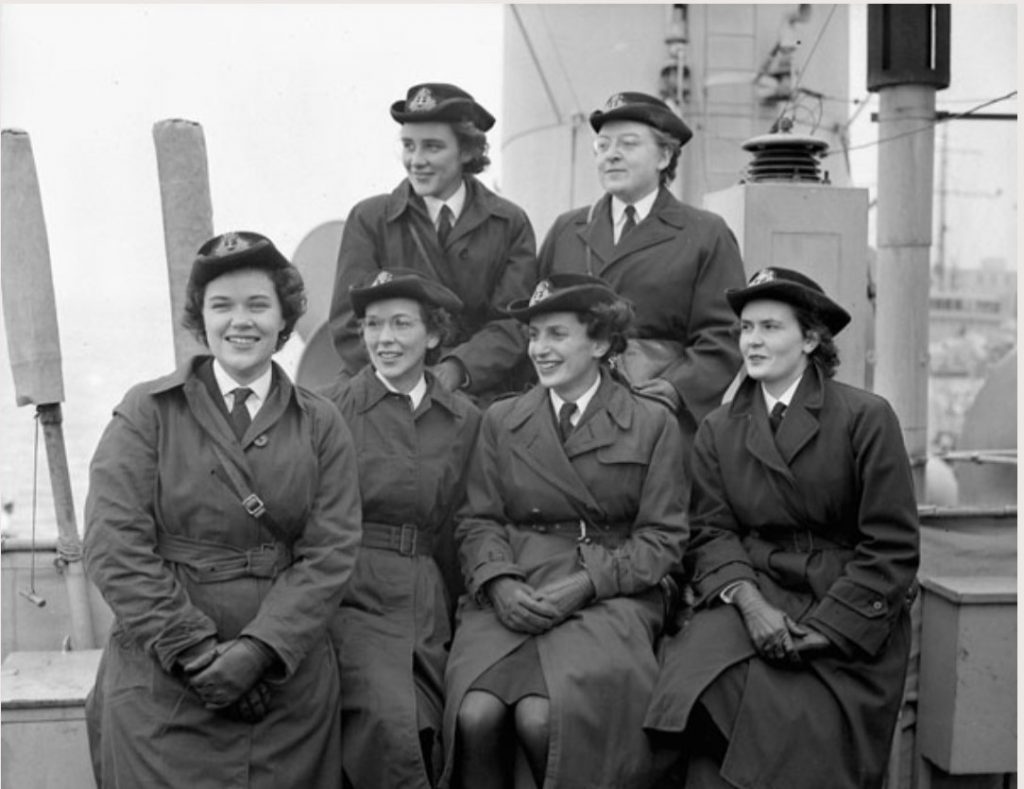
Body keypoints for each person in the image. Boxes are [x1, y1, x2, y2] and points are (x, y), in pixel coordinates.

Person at [83, 231, 361, 788]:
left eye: (258, 305)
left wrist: (258, 652)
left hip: (284, 680)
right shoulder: (148, 411)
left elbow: (330, 553)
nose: (241, 322)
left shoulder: (321, 422)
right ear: (200, 318)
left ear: (284, 319)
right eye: (222, 306)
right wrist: (195, 651)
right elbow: (113, 545)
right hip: (164, 677)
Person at [643, 267, 920, 789]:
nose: (752, 340)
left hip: (843, 606)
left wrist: (824, 632)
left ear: (811, 338)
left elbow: (892, 548)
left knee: (791, 734)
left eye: (770, 327)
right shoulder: (718, 429)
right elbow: (711, 533)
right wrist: (752, 607)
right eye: (746, 328)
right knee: (690, 691)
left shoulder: (866, 418)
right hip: (754, 589)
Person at [440, 274, 689, 789]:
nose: (540, 349)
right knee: (476, 713)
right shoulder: (502, 419)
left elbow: (662, 539)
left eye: (557, 334)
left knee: (543, 716)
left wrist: (586, 582)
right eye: (534, 335)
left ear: (599, 342)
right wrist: (498, 582)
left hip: (612, 593)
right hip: (518, 585)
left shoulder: (651, 422)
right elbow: (478, 519)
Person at [320, 268, 482, 788]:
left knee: (442, 721)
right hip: (349, 591)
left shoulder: (463, 418)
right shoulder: (328, 410)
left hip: (425, 594)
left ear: (433, 335)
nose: (384, 339)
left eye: (400, 325)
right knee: (391, 723)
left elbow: (464, 521)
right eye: (372, 325)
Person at [537, 91, 746, 445]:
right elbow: (533, 322)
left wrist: (672, 389)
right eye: (602, 146)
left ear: (664, 156)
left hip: (658, 422)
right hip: (569, 416)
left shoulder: (706, 233)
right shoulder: (566, 230)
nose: (611, 155)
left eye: (628, 144)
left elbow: (724, 335)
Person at [328, 82, 538, 404]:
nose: (416, 160)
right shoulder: (370, 218)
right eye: (409, 146)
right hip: (382, 388)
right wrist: (403, 383)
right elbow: (348, 322)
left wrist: (457, 368)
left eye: (432, 147)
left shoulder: (510, 223)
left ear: (468, 151)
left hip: (475, 389)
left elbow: (513, 322)